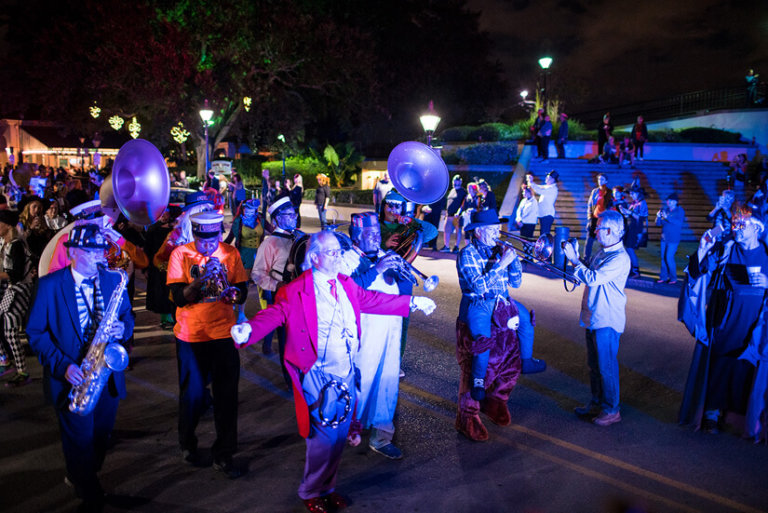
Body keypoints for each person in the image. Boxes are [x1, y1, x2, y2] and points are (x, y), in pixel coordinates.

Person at [231, 231, 435, 512]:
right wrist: (250, 329)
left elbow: (371, 299)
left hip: (347, 371)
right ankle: (310, 491)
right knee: (324, 439)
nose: (338, 256)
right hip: (318, 373)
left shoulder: (345, 283)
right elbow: (275, 314)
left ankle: (326, 488)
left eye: (339, 251)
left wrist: (410, 303)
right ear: (314, 258)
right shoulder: (295, 290)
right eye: (331, 252)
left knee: (339, 437)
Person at [27, 223, 134, 511]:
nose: (100, 257)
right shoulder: (50, 285)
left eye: (101, 251)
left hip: (106, 375)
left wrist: (123, 327)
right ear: (73, 252)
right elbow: (36, 333)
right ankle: (89, 492)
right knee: (80, 439)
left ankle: (80, 475)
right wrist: (63, 366)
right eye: (91, 251)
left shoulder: (113, 279)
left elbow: (126, 317)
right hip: (71, 375)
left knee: (101, 436)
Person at [166, 211, 248, 479]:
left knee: (227, 397)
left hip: (223, 333)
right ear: (195, 235)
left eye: (214, 240)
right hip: (191, 335)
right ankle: (187, 444)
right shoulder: (180, 254)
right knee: (192, 396)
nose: (209, 245)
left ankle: (224, 453)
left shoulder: (230, 253)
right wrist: (202, 278)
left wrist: (234, 293)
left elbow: (242, 289)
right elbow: (179, 297)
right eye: (203, 241)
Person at [679, 209, 768, 440]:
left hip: (755, 321)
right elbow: (699, 271)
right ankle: (712, 412)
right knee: (720, 361)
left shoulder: (766, 254)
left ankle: (740, 416)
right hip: (726, 318)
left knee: (746, 366)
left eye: (743, 225)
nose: (737, 229)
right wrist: (702, 248)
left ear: (757, 229)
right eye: (736, 225)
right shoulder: (727, 249)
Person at [346, 213, 413, 459]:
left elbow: (404, 292)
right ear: (356, 237)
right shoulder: (347, 259)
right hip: (362, 336)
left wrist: (403, 274)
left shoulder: (386, 257)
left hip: (390, 334)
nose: (376, 238)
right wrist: (376, 270)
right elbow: (346, 291)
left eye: (377, 234)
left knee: (387, 384)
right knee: (359, 386)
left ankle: (381, 437)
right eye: (369, 234)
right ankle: (344, 432)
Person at [454, 209, 523, 441]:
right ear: (479, 231)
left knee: (508, 363)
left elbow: (516, 282)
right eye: (493, 230)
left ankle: (495, 401)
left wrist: (514, 263)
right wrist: (501, 264)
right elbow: (479, 288)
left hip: (502, 315)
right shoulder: (467, 254)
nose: (497, 233)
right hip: (477, 312)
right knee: (475, 368)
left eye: (498, 229)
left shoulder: (499, 250)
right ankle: (468, 416)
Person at [563, 210, 631, 427]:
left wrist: (574, 260)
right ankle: (597, 403)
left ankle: (612, 409)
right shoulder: (604, 252)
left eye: (598, 227)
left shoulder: (619, 258)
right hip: (594, 316)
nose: (595, 231)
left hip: (607, 319)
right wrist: (574, 260)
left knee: (606, 366)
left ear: (610, 231)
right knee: (594, 365)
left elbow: (593, 278)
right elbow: (586, 270)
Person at [251, 196, 300, 356]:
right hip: (280, 295)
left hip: (300, 294)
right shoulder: (269, 243)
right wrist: (276, 285)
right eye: (290, 215)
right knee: (286, 340)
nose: (295, 217)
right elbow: (257, 274)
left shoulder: (298, 237)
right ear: (278, 218)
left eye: (295, 214)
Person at [0, 210, 35, 386]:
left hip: (19, 290)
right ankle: (6, 360)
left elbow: (16, 274)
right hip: (11, 290)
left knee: (10, 330)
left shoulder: (16, 245)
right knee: (8, 329)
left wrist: (1, 275)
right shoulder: (5, 243)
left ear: (6, 225)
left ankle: (22, 371)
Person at [656, 192, 685, 284]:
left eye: (672, 201)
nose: (669, 202)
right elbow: (658, 224)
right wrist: (658, 217)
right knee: (663, 258)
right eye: (668, 201)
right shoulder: (666, 210)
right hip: (664, 238)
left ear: (676, 202)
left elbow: (678, 223)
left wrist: (667, 217)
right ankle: (663, 277)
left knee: (669, 257)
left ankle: (673, 278)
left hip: (673, 239)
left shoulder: (679, 210)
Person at [619, 187, 648, 278]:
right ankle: (631, 269)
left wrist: (630, 213)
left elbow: (640, 217)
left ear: (639, 193)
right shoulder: (634, 203)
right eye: (630, 193)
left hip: (636, 229)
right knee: (628, 249)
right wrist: (624, 212)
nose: (631, 195)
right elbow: (630, 216)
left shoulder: (642, 203)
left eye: (633, 193)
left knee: (630, 249)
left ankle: (635, 270)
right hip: (630, 227)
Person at [585, 175, 613, 260]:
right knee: (590, 239)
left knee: (604, 240)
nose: (600, 181)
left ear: (606, 181)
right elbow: (590, 204)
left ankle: (603, 258)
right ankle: (586, 258)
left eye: (602, 179)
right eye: (599, 179)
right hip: (594, 217)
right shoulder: (595, 191)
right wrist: (589, 217)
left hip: (604, 219)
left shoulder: (609, 192)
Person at [526, 170, 559, 237]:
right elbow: (538, 187)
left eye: (548, 178)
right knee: (543, 233)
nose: (546, 179)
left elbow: (539, 190)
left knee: (544, 234)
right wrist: (531, 182)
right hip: (543, 214)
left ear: (552, 179)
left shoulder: (553, 189)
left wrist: (531, 182)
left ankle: (545, 247)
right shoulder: (547, 187)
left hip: (547, 214)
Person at [442, 175, 467, 253]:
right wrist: (446, 213)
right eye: (455, 180)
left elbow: (464, 203)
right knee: (446, 231)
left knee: (458, 231)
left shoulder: (463, 192)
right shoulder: (452, 190)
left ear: (460, 182)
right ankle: (446, 246)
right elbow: (448, 202)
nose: (456, 182)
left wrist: (459, 212)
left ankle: (456, 247)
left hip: (457, 216)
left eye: (458, 181)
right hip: (448, 215)